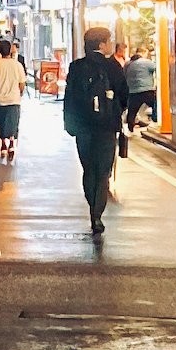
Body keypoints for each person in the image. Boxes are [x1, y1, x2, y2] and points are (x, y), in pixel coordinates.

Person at [62, 24, 129, 239]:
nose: (110, 45)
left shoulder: (76, 67)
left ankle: (92, 205)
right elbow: (124, 96)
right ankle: (96, 214)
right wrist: (117, 113)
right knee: (103, 173)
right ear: (101, 44)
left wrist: (71, 124)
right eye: (109, 41)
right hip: (106, 128)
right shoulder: (113, 67)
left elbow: (70, 98)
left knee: (88, 169)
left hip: (83, 127)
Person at [0, 34, 26, 160]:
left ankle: (3, 145)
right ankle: (12, 144)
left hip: (0, 100)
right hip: (14, 100)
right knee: (13, 123)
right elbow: (22, 83)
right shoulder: (17, 65)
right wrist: (20, 93)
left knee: (1, 123)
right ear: (10, 50)